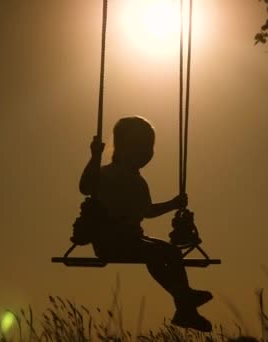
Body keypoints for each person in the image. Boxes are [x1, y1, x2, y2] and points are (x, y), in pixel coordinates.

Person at [79, 116, 213, 332]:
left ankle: (185, 308)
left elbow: (147, 211)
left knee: (170, 252)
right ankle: (183, 299)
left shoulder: (136, 180)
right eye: (140, 147)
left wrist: (173, 204)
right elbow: (86, 186)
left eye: (149, 148)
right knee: (156, 253)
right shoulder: (106, 173)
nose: (146, 153)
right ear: (121, 148)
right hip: (111, 242)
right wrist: (95, 156)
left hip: (132, 240)